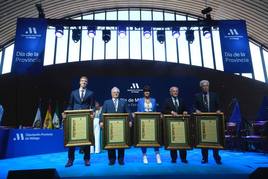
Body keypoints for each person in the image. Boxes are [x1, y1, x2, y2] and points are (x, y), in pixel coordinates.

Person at [63, 76, 95, 167]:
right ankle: (70, 160)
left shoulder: (91, 93)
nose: (84, 82)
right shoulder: (73, 92)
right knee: (72, 140)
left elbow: (92, 106)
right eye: (82, 81)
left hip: (86, 119)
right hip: (74, 119)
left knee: (87, 140)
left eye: (85, 81)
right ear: (79, 82)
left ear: (87, 83)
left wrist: (92, 113)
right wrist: (66, 113)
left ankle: (87, 159)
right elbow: (70, 105)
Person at [100, 87, 132, 165]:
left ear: (119, 93)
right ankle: (112, 159)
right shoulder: (106, 102)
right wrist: (101, 121)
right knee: (110, 143)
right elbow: (102, 113)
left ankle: (121, 159)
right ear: (111, 93)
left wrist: (130, 120)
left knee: (121, 143)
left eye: (117, 92)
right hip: (110, 127)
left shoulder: (123, 102)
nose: (116, 93)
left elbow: (129, 112)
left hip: (121, 127)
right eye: (114, 92)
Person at [193, 80, 222, 165]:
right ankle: (204, 158)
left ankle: (217, 158)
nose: (205, 87)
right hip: (203, 122)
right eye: (203, 86)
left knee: (214, 140)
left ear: (208, 86)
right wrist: (196, 110)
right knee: (204, 140)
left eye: (207, 86)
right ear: (201, 87)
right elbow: (194, 107)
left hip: (213, 121)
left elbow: (219, 106)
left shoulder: (214, 95)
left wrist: (218, 110)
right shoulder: (197, 96)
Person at [162, 86, 189, 163]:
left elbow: (186, 109)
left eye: (176, 91)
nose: (175, 92)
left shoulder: (182, 100)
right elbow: (163, 110)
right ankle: (174, 158)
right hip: (172, 124)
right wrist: (171, 112)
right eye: (174, 91)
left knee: (182, 141)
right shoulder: (167, 101)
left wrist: (185, 111)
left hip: (181, 124)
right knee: (173, 141)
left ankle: (183, 158)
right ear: (170, 92)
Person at [137, 85, 162, 164]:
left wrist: (159, 115)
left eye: (148, 91)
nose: (147, 92)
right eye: (145, 91)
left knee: (155, 138)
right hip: (143, 122)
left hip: (153, 122)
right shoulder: (140, 101)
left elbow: (155, 111)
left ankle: (157, 155)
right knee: (143, 139)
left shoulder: (153, 100)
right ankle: (144, 155)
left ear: (149, 92)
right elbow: (138, 111)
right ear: (143, 92)